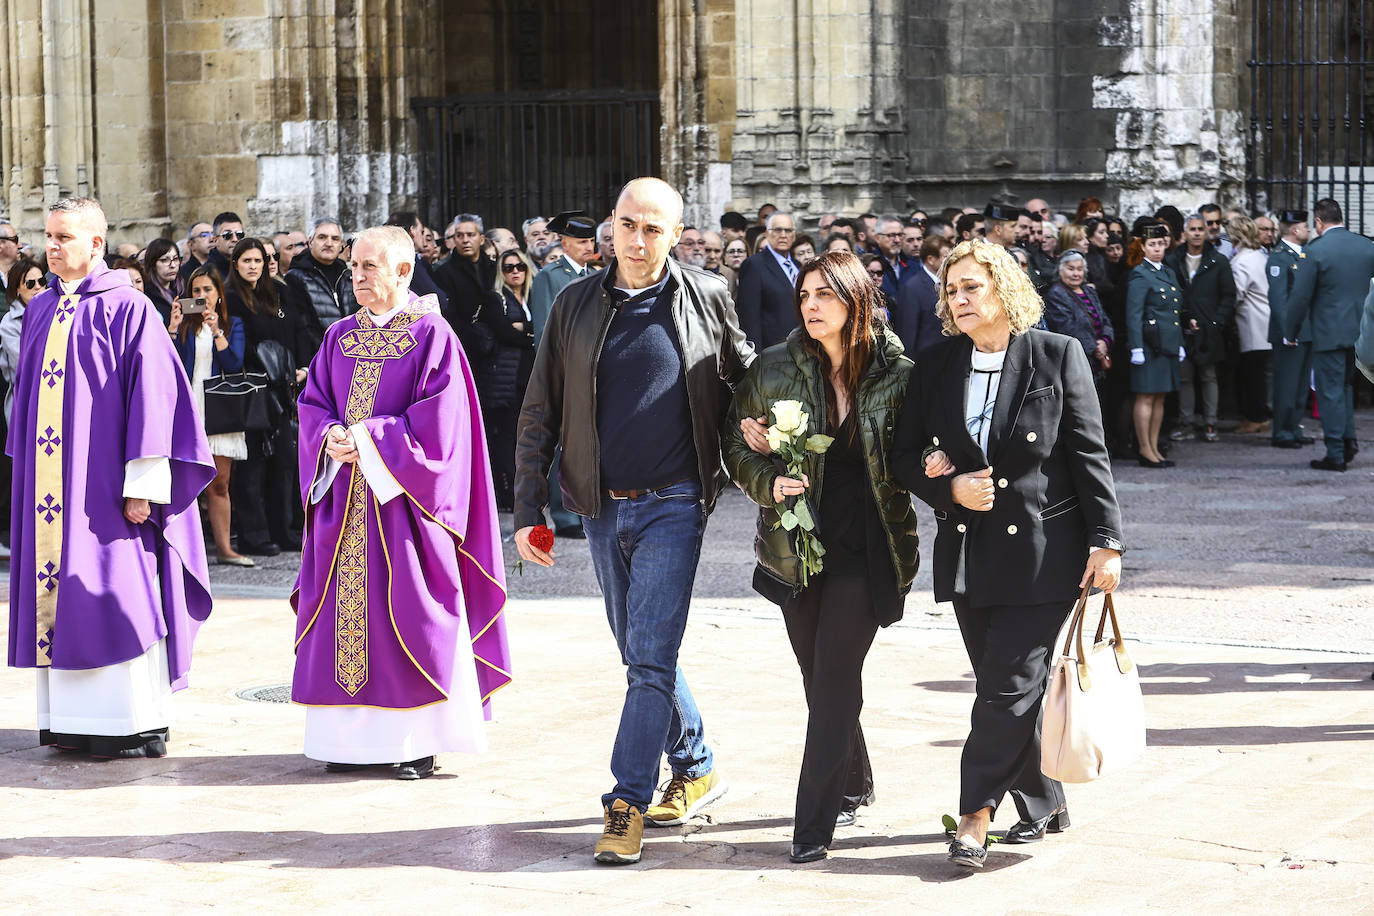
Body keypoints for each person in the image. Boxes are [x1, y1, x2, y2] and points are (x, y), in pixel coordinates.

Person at [513, 177, 754, 866]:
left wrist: (772, 441)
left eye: (653, 228)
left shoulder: (706, 296)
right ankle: (698, 761)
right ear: (608, 229)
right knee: (641, 651)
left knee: (647, 658)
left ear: (677, 234)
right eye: (627, 225)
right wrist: (530, 510)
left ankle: (626, 801)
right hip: (598, 504)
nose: (638, 240)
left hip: (676, 502)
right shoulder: (573, 304)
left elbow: (746, 380)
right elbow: (539, 411)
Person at [890, 239, 1124, 869]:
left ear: (1005, 290)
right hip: (969, 554)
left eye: (971, 287)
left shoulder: (1056, 354)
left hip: (1045, 552)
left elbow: (1088, 453)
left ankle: (974, 815)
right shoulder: (935, 364)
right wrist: (946, 485)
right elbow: (904, 456)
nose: (958, 300)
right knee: (1006, 686)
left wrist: (1107, 542)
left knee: (1006, 689)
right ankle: (1044, 800)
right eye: (950, 290)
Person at [293, 225, 510, 780]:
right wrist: (327, 437)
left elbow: (443, 426)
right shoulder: (339, 336)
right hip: (344, 503)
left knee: (407, 614)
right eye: (354, 267)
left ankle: (415, 740)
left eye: (370, 267)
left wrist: (365, 436)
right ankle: (346, 743)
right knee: (343, 619)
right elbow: (313, 401)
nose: (357, 277)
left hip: (405, 510)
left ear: (404, 272)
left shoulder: (433, 336)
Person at [723, 251, 918, 864]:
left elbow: (923, 448)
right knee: (820, 679)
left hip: (868, 550)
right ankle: (855, 780)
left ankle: (813, 826)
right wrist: (767, 479)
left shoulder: (899, 373)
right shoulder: (774, 368)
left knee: (833, 682)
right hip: (796, 550)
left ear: (856, 301)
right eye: (805, 294)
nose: (810, 305)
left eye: (825, 295)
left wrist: (939, 470)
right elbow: (736, 445)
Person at [7, 197, 214, 759]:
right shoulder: (40, 309)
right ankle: (67, 721)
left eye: (64, 237)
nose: (51, 247)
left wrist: (144, 482)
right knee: (59, 592)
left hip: (104, 485)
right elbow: (25, 397)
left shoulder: (130, 308)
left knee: (114, 587)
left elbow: (154, 395)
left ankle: (134, 719)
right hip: (50, 485)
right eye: (48, 236)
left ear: (96, 243)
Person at [227, 237, 309, 556]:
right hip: (250, 389)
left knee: (285, 462)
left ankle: (285, 529)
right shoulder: (232, 298)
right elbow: (242, 346)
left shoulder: (279, 292)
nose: (252, 266)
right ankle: (254, 534)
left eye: (257, 261)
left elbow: (297, 332)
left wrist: (300, 367)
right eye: (246, 261)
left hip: (282, 389)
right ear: (236, 264)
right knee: (253, 465)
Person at [1284, 198, 1374, 471]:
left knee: (1330, 391)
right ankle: (1348, 441)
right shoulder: (1366, 246)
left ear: (1319, 222)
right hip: (1362, 331)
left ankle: (1336, 451)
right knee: (1346, 389)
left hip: (1329, 331)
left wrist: (1291, 330)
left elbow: (1300, 297)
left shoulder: (1316, 250)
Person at [172, 266, 251, 566]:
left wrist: (217, 331)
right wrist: (173, 327)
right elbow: (170, 366)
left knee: (220, 483)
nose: (202, 296)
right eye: (196, 291)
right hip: (188, 410)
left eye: (207, 290)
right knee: (186, 481)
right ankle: (183, 551)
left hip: (219, 410)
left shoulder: (233, 325)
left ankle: (224, 549)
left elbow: (233, 365)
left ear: (219, 294)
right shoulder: (183, 327)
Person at [1165, 213, 1236, 443]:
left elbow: (1228, 296)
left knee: (1208, 376)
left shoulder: (1218, 261)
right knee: (1185, 377)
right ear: (1185, 233)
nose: (1196, 233)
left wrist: (1216, 322)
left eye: (1200, 229)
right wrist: (1185, 317)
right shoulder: (1173, 260)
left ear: (1206, 233)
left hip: (1209, 329)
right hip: (1182, 327)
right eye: (1192, 229)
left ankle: (1210, 422)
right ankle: (1187, 422)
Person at [1127, 224, 1186, 467]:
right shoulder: (1140, 274)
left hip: (1167, 343)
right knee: (1146, 397)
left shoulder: (1168, 273)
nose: (1157, 249)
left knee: (1160, 397)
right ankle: (1144, 449)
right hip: (1149, 345)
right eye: (1152, 244)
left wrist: (1180, 342)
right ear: (1143, 246)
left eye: (1161, 244)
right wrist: (1136, 347)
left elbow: (1174, 312)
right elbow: (1134, 314)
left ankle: (1154, 447)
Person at [483, 248, 537, 510]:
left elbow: (542, 326)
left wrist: (525, 329)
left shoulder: (532, 296)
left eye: (520, 266)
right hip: (506, 380)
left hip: (529, 377)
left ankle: (525, 491)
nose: (515, 271)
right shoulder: (497, 298)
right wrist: (532, 333)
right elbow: (504, 332)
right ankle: (508, 494)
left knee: (526, 436)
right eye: (508, 267)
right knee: (506, 437)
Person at [1266, 210, 1314, 449]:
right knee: (1286, 384)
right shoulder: (1279, 257)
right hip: (1290, 332)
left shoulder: (1304, 255)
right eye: (1305, 226)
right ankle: (1282, 432)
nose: (1308, 230)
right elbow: (1278, 299)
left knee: (1300, 384)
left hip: (1306, 330)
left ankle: (1294, 427)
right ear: (1295, 230)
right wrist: (1288, 331)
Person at [1226, 216, 1273, 434]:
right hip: (1265, 323)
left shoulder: (1242, 261)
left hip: (1252, 324)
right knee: (1258, 374)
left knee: (1252, 375)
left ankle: (1256, 418)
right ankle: (1256, 416)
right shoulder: (1260, 257)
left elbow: (1236, 294)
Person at [284, 218, 357, 360]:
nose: (329, 243)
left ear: (341, 245)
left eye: (335, 239)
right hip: (319, 358)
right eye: (322, 237)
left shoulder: (348, 276)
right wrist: (330, 353)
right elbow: (304, 327)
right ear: (310, 242)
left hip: (351, 355)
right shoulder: (296, 277)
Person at [1043, 251, 1114, 387]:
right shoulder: (1056, 294)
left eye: (1080, 269)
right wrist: (1095, 348)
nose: (1076, 274)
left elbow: (1105, 320)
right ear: (1060, 270)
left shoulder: (1089, 291)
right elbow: (1067, 328)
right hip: (1076, 361)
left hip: (1098, 361)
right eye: (1071, 269)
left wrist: (1105, 342)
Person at [737, 210, 800, 349]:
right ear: (767, 233)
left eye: (788, 230)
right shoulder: (754, 265)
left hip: (803, 349)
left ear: (794, 235)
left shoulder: (799, 266)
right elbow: (749, 317)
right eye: (777, 230)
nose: (783, 235)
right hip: (772, 352)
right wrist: (755, 358)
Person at [895, 233, 952, 356]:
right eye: (946, 257)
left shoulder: (951, 283)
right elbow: (907, 333)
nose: (950, 261)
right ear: (931, 259)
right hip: (925, 360)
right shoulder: (912, 288)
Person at [142, 238, 182, 323]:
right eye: (164, 260)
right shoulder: (146, 295)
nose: (173, 265)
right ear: (153, 264)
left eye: (175, 259)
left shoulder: (182, 289)